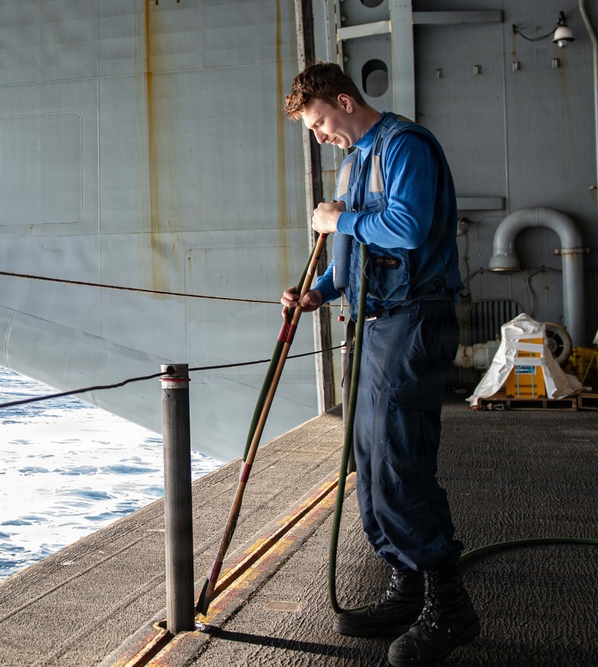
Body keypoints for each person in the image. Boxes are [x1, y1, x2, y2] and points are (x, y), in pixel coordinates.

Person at [281, 62, 478, 666]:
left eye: (320, 123)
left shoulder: (404, 146)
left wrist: (338, 217)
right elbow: (352, 256)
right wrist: (320, 289)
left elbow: (408, 228)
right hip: (376, 322)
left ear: (345, 99)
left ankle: (450, 607)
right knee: (368, 460)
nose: (321, 137)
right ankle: (407, 584)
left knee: (397, 459)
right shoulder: (353, 162)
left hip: (415, 319)